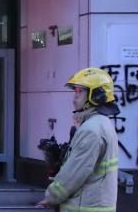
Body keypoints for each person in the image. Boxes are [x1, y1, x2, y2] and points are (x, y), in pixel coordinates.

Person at [37, 68, 119, 211]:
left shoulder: (91, 129)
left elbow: (74, 173)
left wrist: (51, 196)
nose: (75, 97)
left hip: (85, 207)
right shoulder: (101, 124)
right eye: (75, 91)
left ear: (96, 96)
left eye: (80, 92)